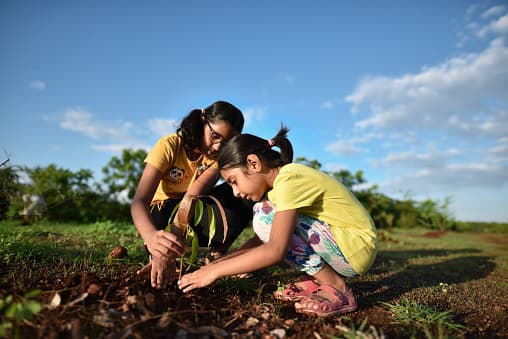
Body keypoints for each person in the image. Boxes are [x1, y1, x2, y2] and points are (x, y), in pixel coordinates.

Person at [177, 126, 377, 317]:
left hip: (355, 246)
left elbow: (275, 249)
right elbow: (260, 241)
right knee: (267, 218)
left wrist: (215, 271)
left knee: (264, 216)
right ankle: (317, 280)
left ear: (254, 163)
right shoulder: (281, 186)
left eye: (233, 181)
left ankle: (337, 287)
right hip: (348, 246)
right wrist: (219, 263)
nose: (236, 192)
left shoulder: (289, 179)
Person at [131, 100, 253, 290]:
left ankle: (217, 254)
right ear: (203, 121)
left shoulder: (217, 159)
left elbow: (193, 195)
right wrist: (153, 239)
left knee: (244, 190)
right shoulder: (169, 145)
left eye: (226, 143)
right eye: (214, 136)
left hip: (191, 209)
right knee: (161, 218)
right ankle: (158, 247)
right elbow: (139, 201)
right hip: (161, 214)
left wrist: (170, 249)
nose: (217, 147)